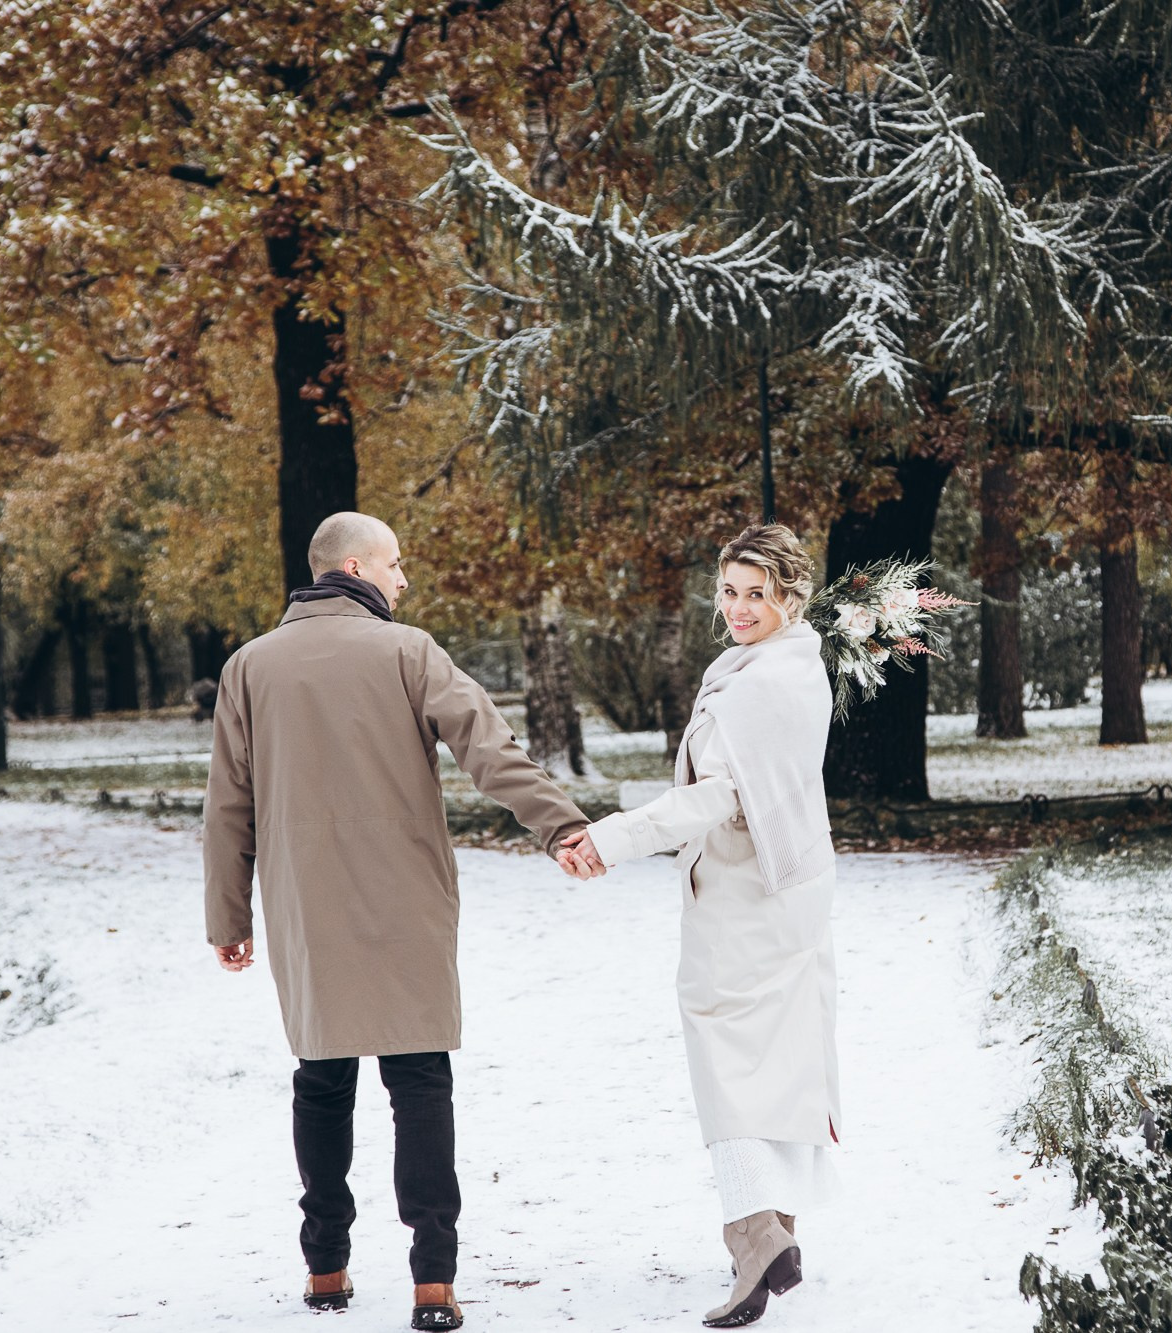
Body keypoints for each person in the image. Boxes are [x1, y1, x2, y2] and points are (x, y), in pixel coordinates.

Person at [204, 511, 604, 1331]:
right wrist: (561, 824)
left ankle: (325, 1267)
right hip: (407, 898)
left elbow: (227, 807)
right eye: (396, 563)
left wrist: (228, 916)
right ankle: (433, 1281)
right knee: (419, 1081)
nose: (404, 578)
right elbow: (491, 750)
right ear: (356, 565)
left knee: (322, 1080)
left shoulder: (248, 667)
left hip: (304, 907)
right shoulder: (408, 651)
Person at [559, 523, 838, 1330]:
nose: (740, 608)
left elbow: (715, 796)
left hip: (744, 895)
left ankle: (754, 1235)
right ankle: (778, 1224)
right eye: (730, 591)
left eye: (759, 593)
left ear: (790, 593)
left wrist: (611, 838)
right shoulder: (795, 662)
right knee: (782, 1058)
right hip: (794, 887)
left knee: (728, 1064)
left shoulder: (755, 683)